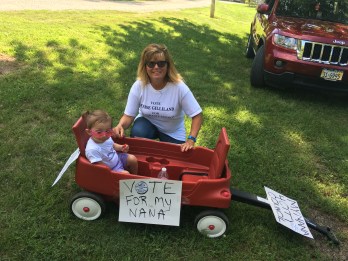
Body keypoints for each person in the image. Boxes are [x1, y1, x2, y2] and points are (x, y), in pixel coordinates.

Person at [113, 43, 203, 152]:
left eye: (161, 63)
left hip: (173, 131)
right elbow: (129, 116)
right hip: (147, 123)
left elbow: (197, 115)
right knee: (139, 132)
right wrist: (120, 125)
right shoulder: (139, 85)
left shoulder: (179, 87)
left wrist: (191, 140)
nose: (156, 67)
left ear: (168, 65)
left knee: (175, 157)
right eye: (151, 64)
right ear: (145, 67)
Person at [83, 110, 138, 174]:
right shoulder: (92, 149)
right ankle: (130, 180)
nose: (104, 135)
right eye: (99, 132)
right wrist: (113, 172)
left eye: (107, 131)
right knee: (126, 174)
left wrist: (121, 147)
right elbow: (101, 167)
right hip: (112, 168)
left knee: (132, 159)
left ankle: (135, 177)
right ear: (89, 132)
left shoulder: (106, 138)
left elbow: (112, 145)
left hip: (117, 158)